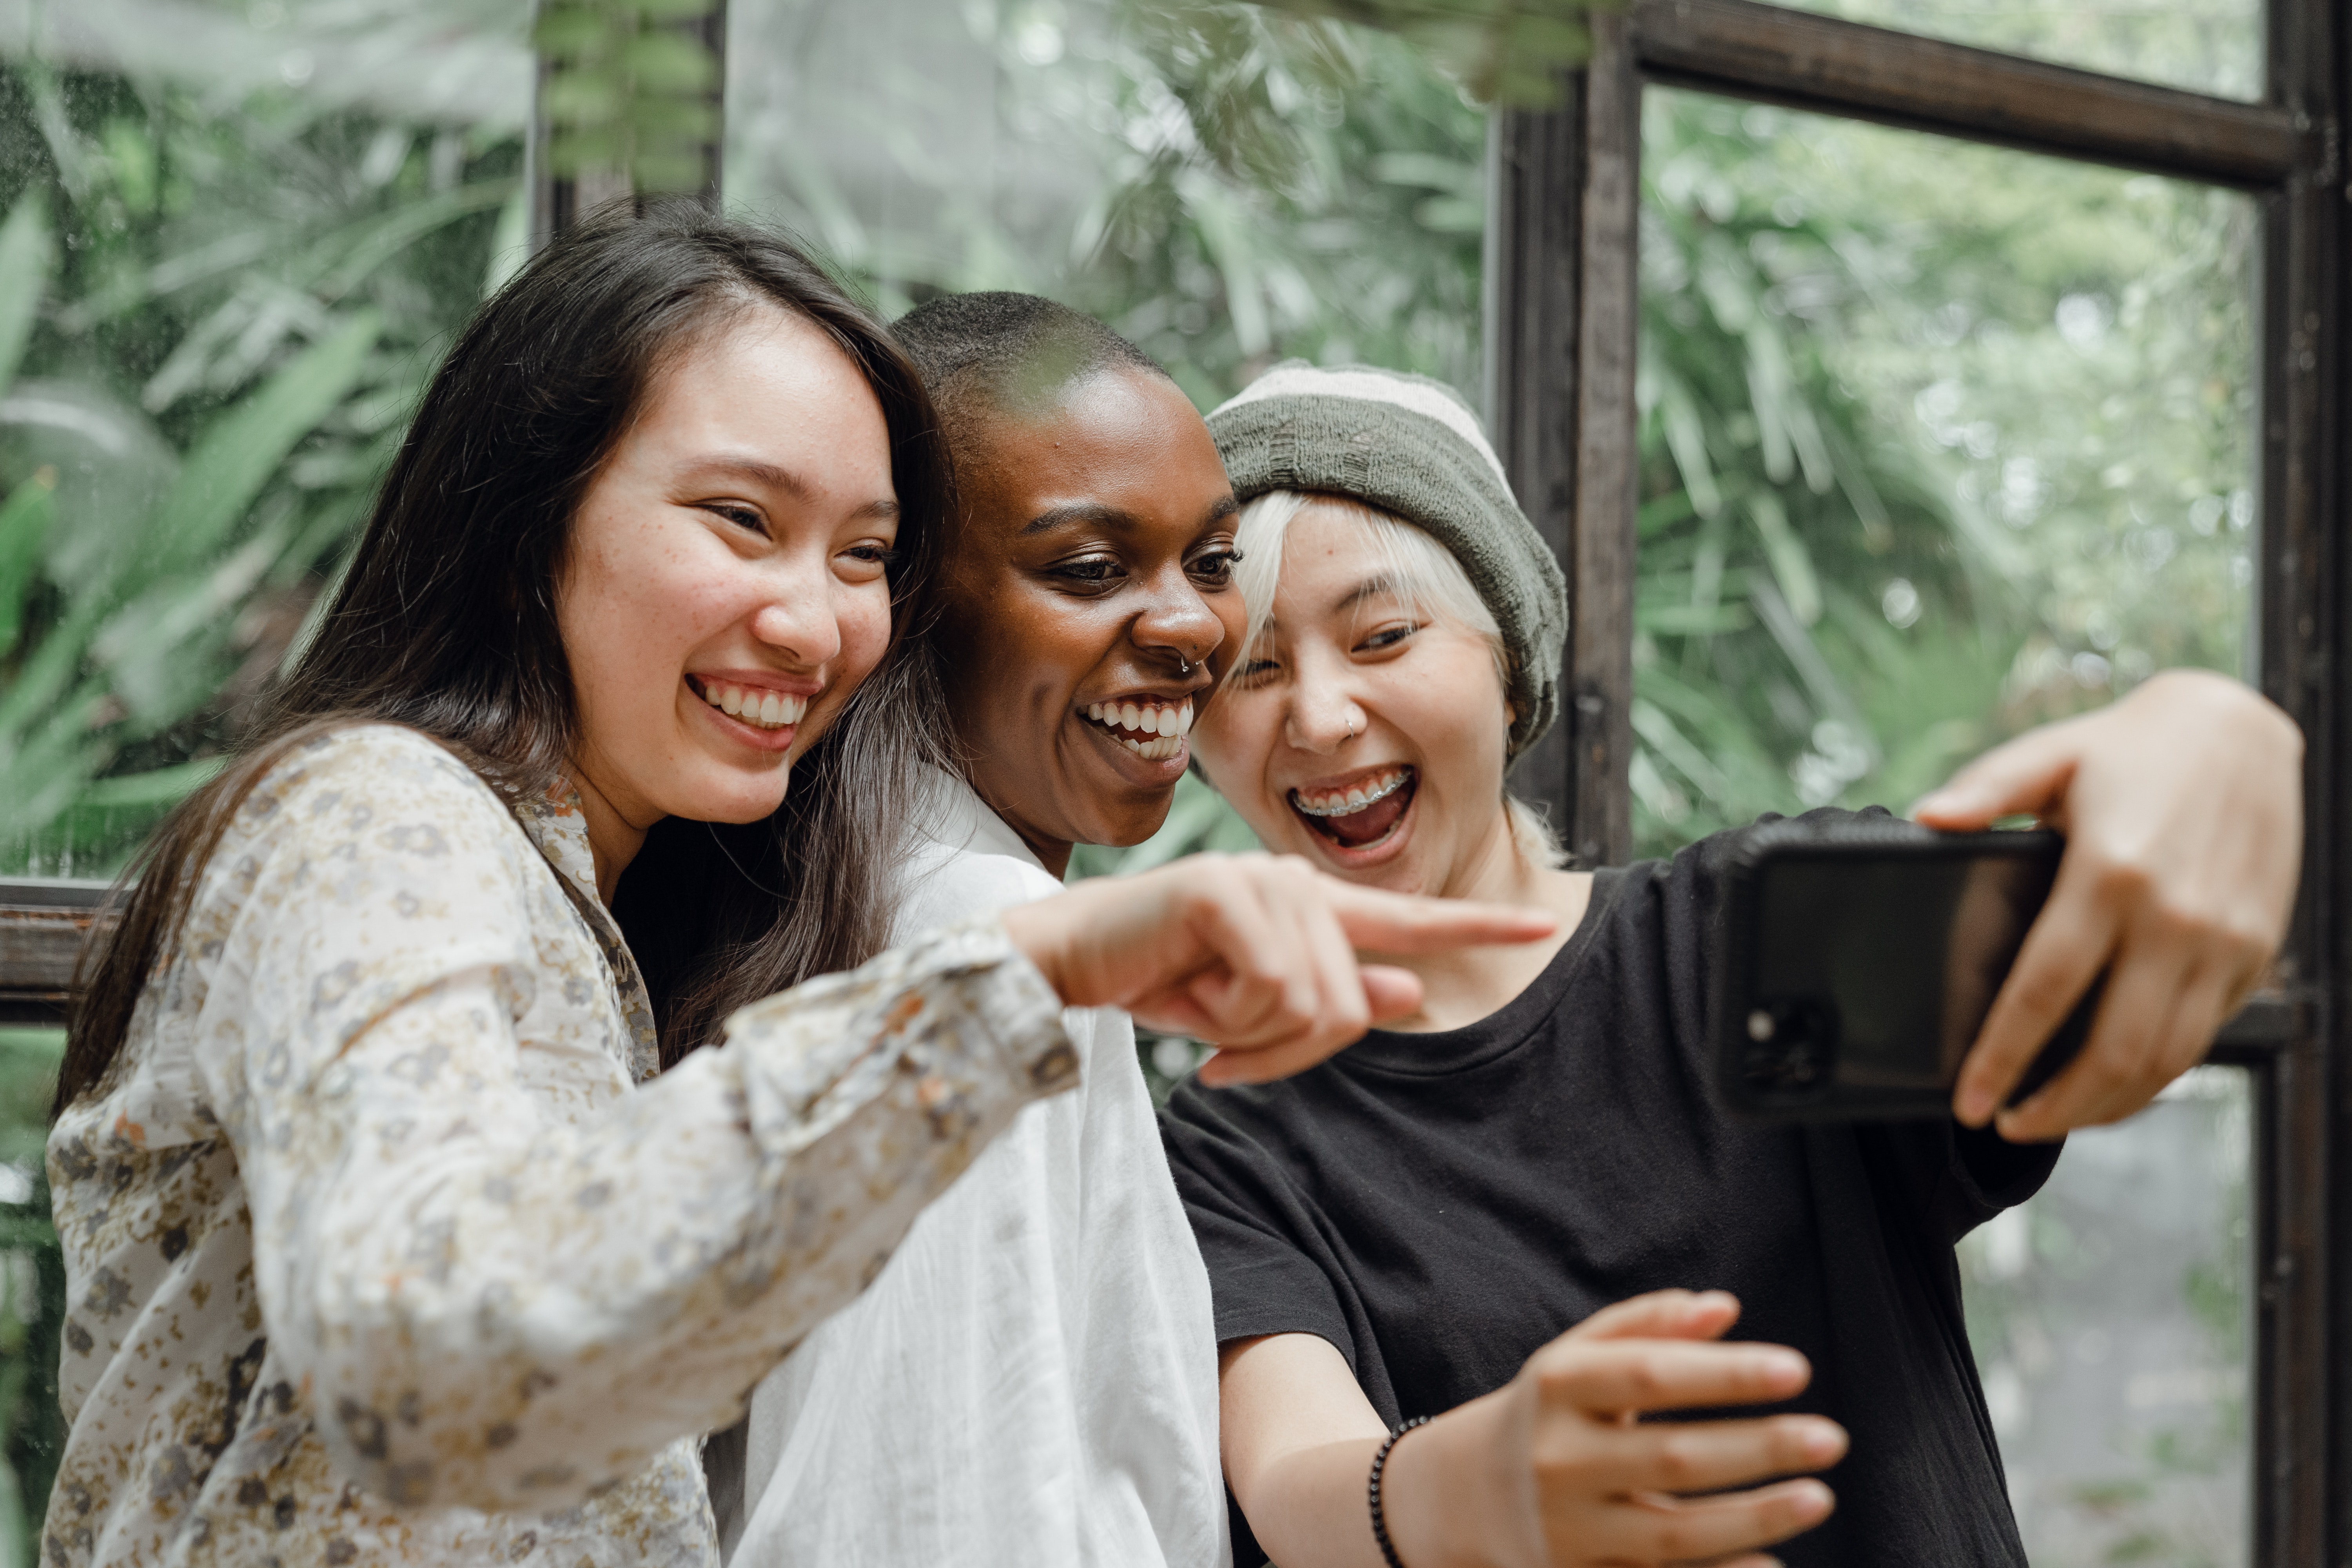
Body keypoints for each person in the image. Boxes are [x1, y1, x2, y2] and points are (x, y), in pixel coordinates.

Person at [41, 224, 1552, 1568]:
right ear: (527, 531)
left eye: (867, 555)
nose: (817, 618)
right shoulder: (377, 818)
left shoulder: (616, 916)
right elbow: (421, 1363)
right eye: (742, 521)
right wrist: (1020, 989)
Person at [1159, 361, 2303, 1568]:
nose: (1323, 717)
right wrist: (1474, 1484)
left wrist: (2215, 735)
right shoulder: (1233, 1140)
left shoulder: (1761, 935)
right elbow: (1295, 1483)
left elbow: (2107, 931)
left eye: (1384, 634)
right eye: (1253, 671)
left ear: (1509, 661)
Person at [724, 293, 1242, 1567]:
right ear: (908, 602)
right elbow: (921, 1516)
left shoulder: (893, 896)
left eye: (1216, 562)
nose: (1190, 627)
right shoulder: (984, 937)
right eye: (1089, 569)